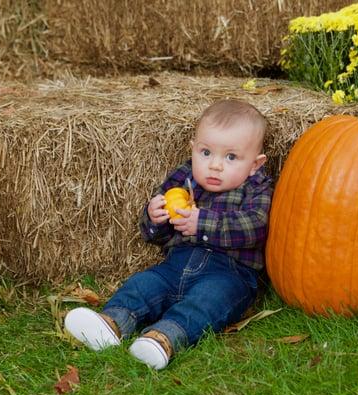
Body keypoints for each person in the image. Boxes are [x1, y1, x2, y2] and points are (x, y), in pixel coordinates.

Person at [64, 99, 273, 370]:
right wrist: (154, 217)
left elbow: (255, 227)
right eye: (206, 152)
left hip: (229, 274)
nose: (215, 165)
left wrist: (203, 223)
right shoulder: (184, 179)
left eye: (231, 157)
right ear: (193, 148)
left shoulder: (256, 187)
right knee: (144, 284)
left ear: (255, 164)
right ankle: (112, 322)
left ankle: (164, 338)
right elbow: (154, 235)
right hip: (176, 265)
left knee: (208, 303)